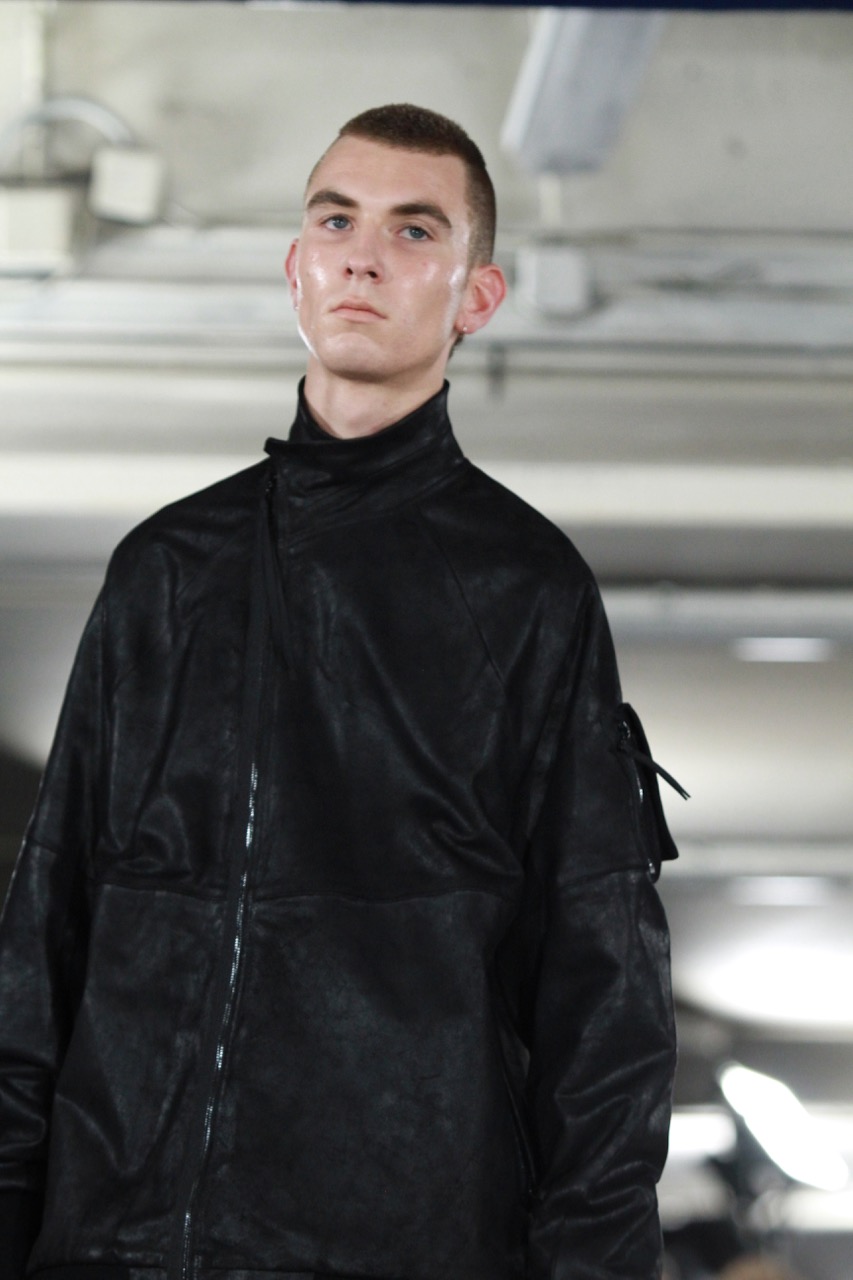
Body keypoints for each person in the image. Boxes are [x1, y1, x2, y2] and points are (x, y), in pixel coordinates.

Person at [0, 104, 680, 1280]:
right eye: (335, 220)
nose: (362, 255)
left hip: (400, 1245)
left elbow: (602, 987)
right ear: (296, 267)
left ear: (477, 296)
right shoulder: (168, 570)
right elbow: (45, 924)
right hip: (119, 1242)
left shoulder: (524, 591)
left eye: (413, 230)